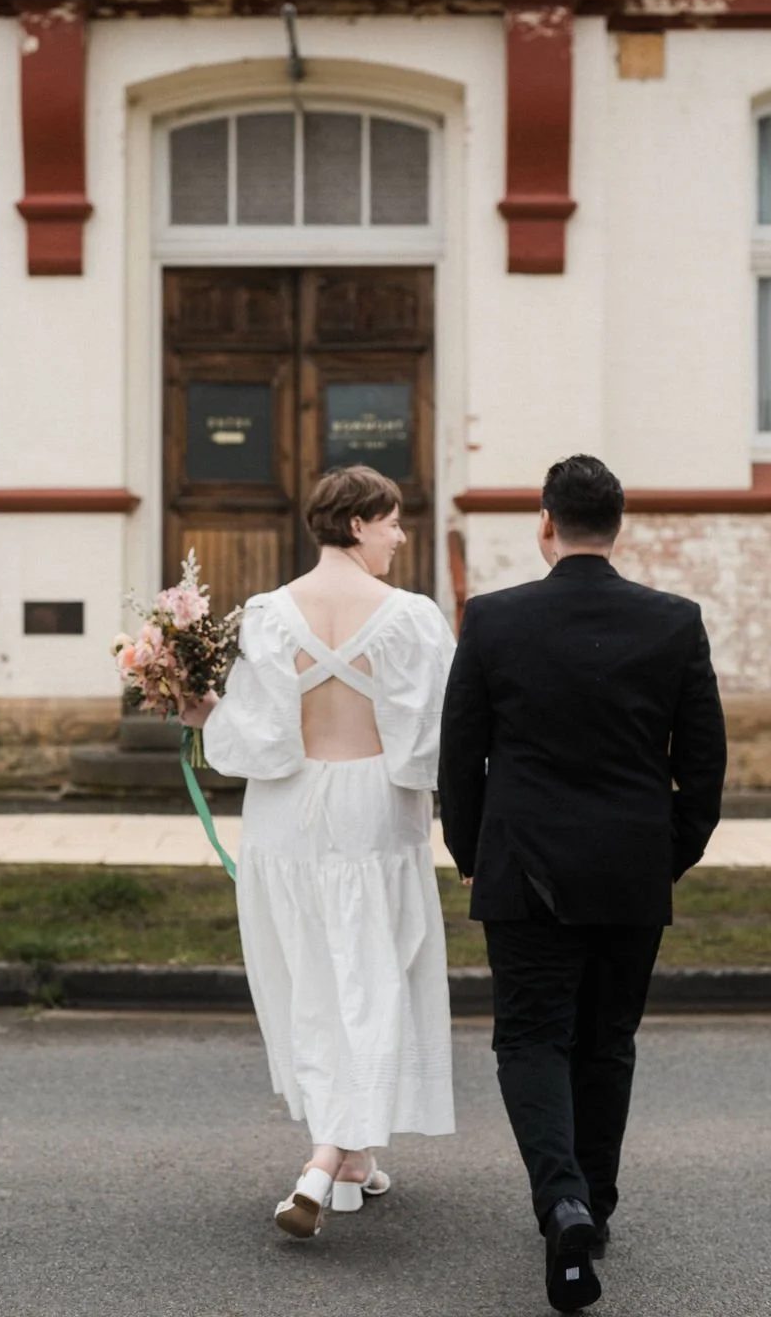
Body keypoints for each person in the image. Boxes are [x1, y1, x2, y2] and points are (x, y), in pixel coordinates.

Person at [438, 455, 727, 1313]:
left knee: (531, 1038)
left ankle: (560, 1196)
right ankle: (591, 1207)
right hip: (632, 865)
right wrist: (670, 849)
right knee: (608, 1040)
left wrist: (472, 852)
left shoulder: (492, 620)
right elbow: (704, 766)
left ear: (544, 524)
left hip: (525, 866)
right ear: (618, 526)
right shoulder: (675, 623)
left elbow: (461, 759)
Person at [183, 464, 456, 1239]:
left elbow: (255, 739)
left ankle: (350, 1163)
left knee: (313, 976)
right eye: (394, 521)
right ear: (359, 522)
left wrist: (203, 713)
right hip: (374, 812)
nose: (402, 536)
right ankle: (326, 1155)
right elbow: (436, 732)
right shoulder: (411, 618)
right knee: (374, 976)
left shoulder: (267, 615)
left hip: (291, 815)